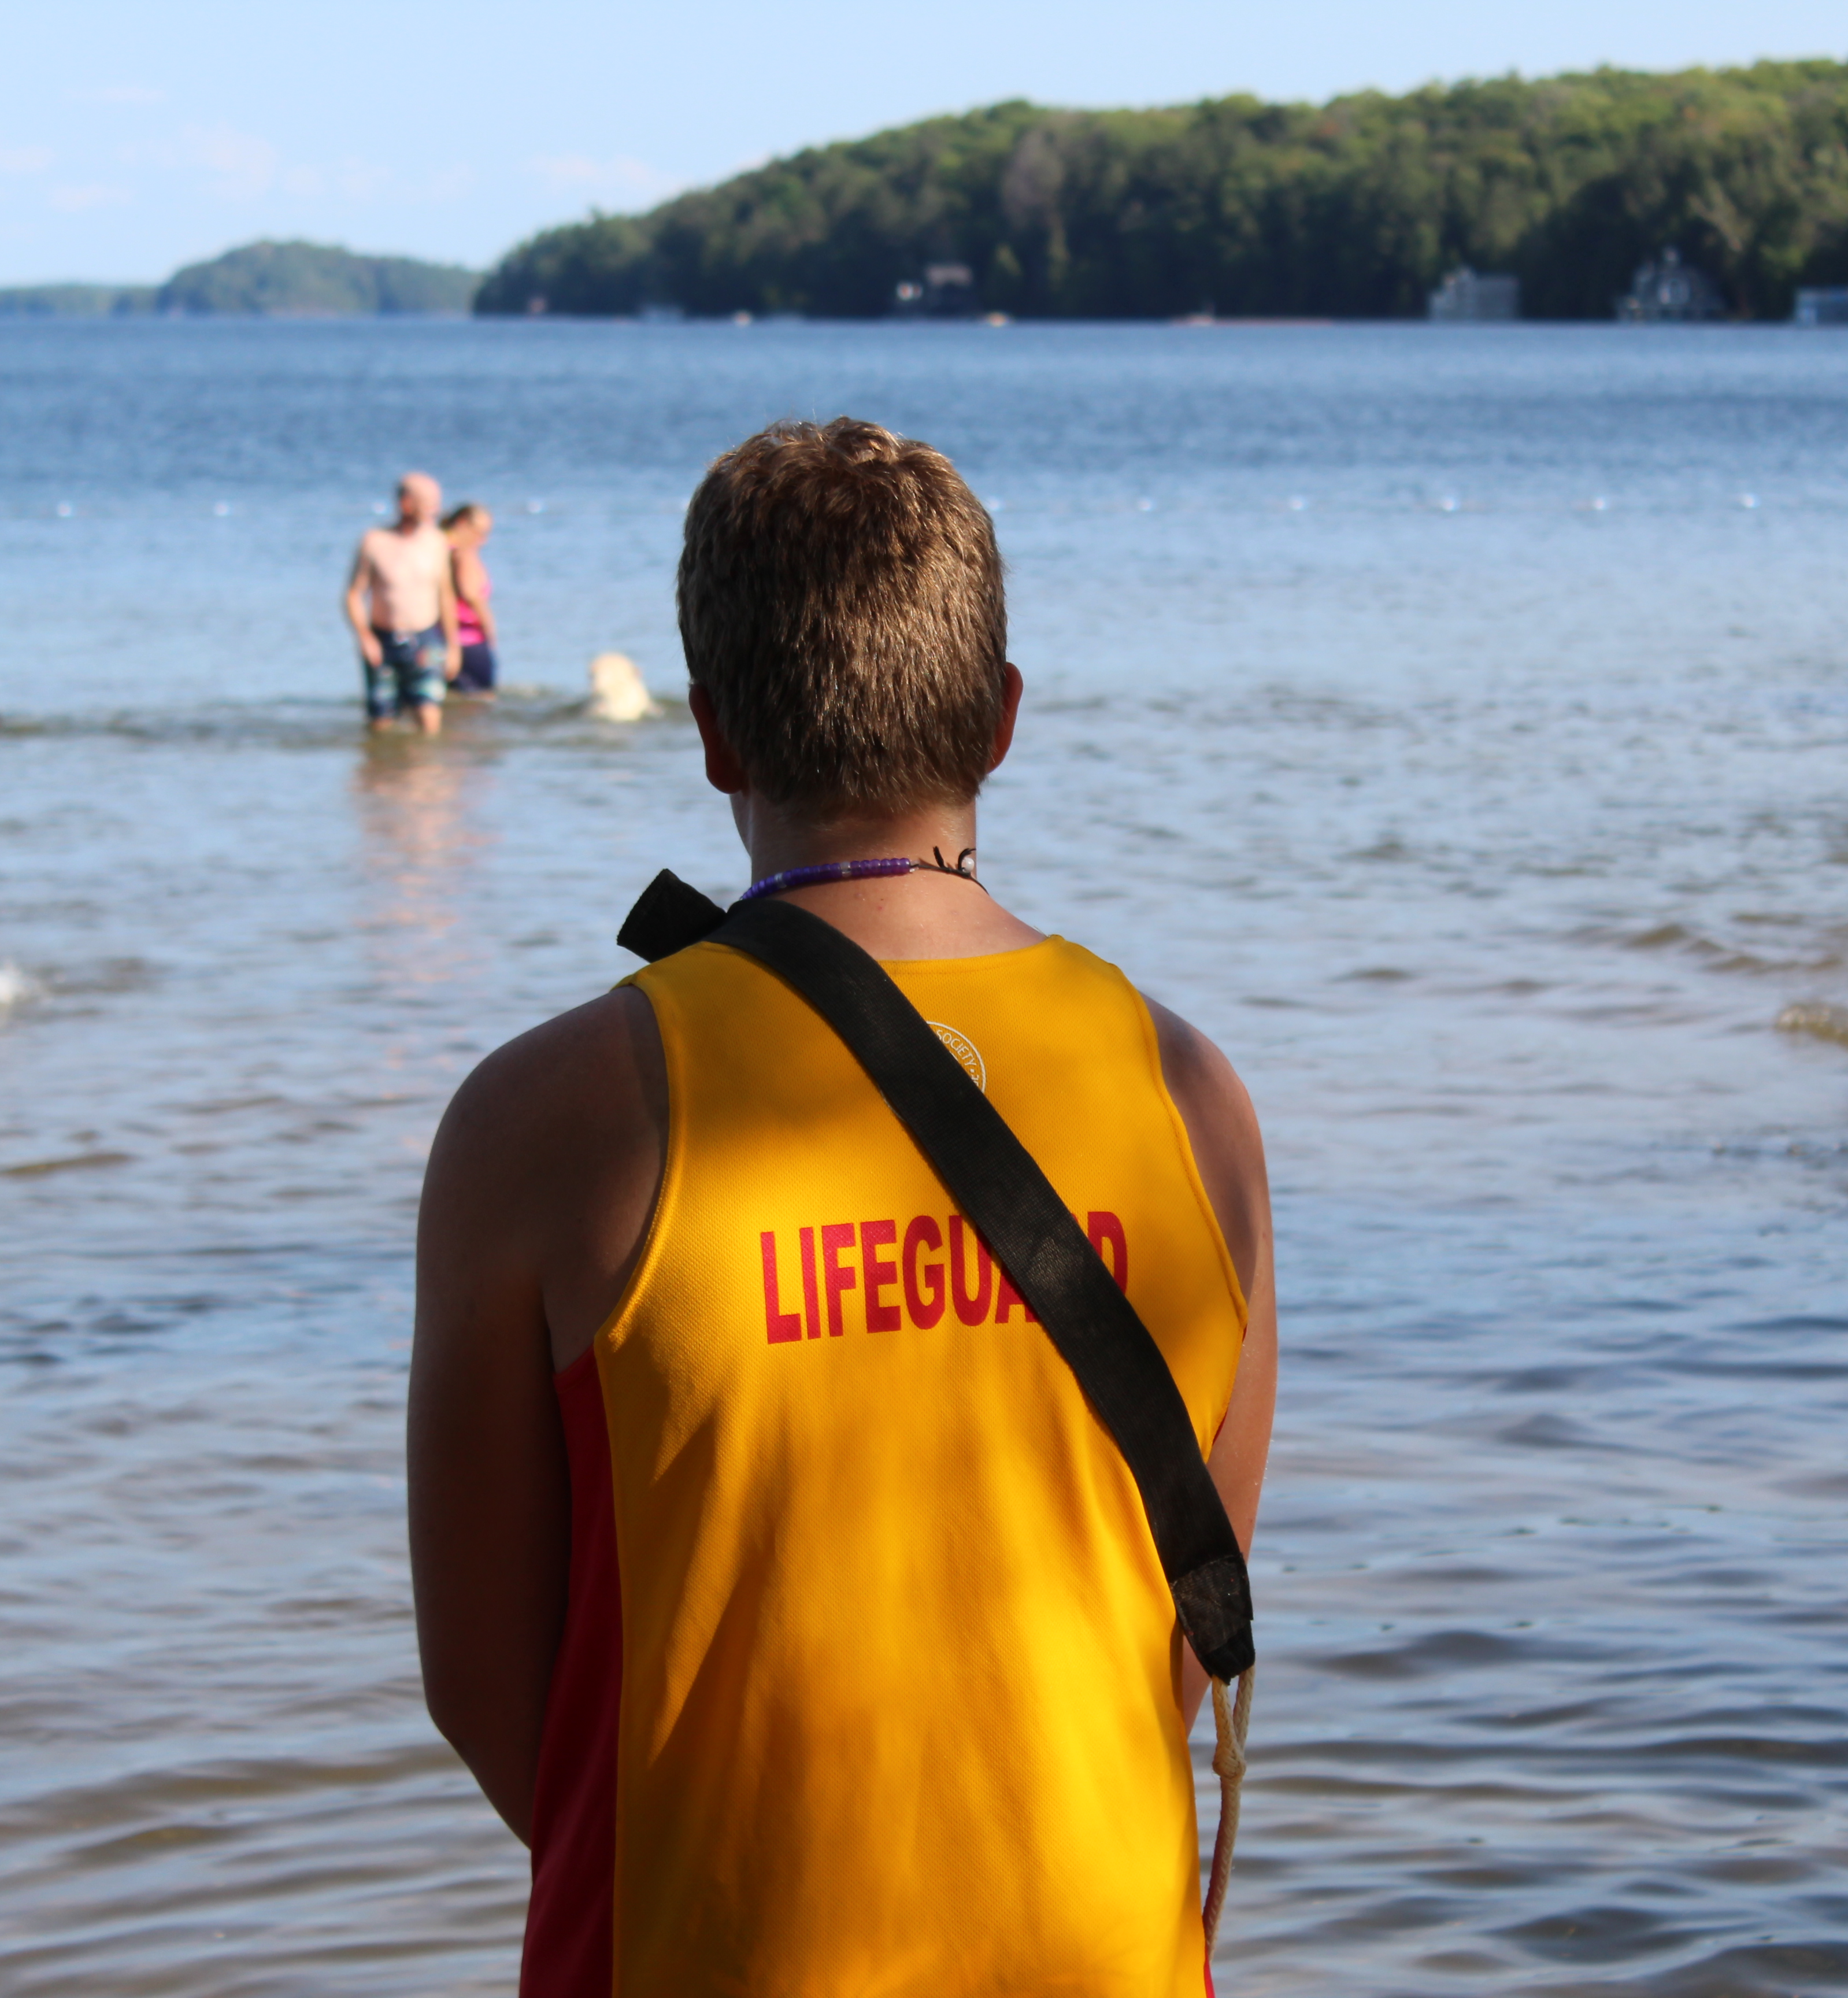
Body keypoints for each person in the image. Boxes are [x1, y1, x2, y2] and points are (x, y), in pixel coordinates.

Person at [409, 417, 1278, 1997]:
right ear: (1003, 720)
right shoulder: (1190, 1093)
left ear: (717, 734)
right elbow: (1177, 1616)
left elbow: (484, 1686)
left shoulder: (546, 1123)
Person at [343, 472, 458, 735]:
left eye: (437, 502)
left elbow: (446, 596)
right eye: (429, 502)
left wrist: (454, 646)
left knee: (429, 715)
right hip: (383, 640)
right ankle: (384, 771)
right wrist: (364, 637)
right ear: (406, 503)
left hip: (427, 638)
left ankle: (427, 773)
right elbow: (353, 595)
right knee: (381, 722)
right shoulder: (374, 541)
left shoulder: (437, 542)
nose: (436, 510)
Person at [443, 502, 499, 698]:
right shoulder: (462, 554)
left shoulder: (436, 548)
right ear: (462, 523)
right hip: (469, 641)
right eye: (480, 533)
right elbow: (471, 595)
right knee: (480, 701)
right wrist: (490, 628)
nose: (483, 541)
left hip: (438, 639)